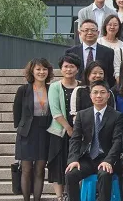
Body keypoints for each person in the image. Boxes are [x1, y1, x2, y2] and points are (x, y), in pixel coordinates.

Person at [65, 80, 123, 201]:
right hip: (87, 158)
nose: (99, 96)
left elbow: (118, 141)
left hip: (106, 158)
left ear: (108, 95)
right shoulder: (82, 115)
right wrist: (73, 159)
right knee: (71, 174)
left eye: (102, 92)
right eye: (95, 92)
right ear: (90, 95)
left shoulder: (117, 116)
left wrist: (109, 160)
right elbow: (75, 139)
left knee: (105, 173)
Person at [13, 58, 53, 201]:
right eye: (38, 69)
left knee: (40, 169)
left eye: (44, 69)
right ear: (32, 71)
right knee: (26, 169)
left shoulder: (51, 88)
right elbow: (16, 111)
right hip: (27, 132)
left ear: (48, 71)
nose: (41, 72)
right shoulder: (23, 90)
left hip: (44, 131)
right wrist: (21, 127)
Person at [48, 55, 81, 201]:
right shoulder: (55, 86)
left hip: (79, 132)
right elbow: (55, 111)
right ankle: (60, 196)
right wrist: (68, 128)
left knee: (75, 162)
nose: (68, 69)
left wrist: (77, 130)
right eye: (66, 66)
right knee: (58, 163)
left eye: (72, 66)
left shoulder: (82, 86)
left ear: (77, 69)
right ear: (61, 68)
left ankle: (72, 194)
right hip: (59, 131)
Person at [66, 19, 117, 87]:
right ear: (80, 33)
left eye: (93, 30)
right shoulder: (71, 52)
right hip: (77, 89)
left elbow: (110, 76)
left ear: (98, 33)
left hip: (100, 91)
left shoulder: (108, 52)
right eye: (86, 30)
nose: (90, 33)